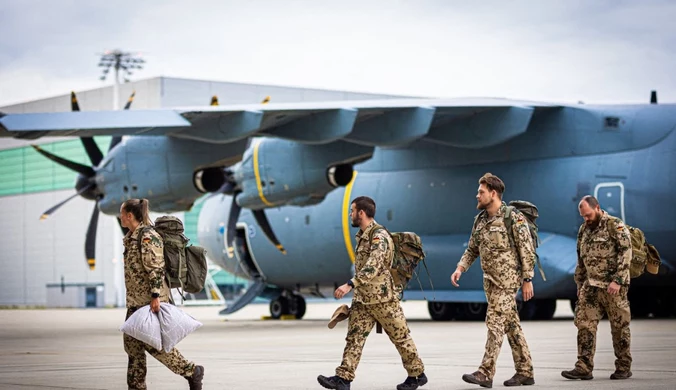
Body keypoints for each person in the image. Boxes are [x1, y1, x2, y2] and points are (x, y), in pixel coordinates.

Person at [317, 196, 427, 390]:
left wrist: (350, 284)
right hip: (363, 299)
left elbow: (373, 265)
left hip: (383, 299)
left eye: (352, 211)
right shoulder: (362, 235)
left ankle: (417, 374)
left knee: (400, 336)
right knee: (354, 338)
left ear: (361, 213)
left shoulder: (379, 237)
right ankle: (343, 378)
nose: (350, 215)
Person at [450, 173, 536, 388]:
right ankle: (525, 371)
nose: (476, 195)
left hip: (507, 283)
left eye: (481, 192)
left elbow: (527, 250)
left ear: (493, 193)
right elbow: (472, 249)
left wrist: (527, 279)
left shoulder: (513, 218)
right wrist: (460, 268)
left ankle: (485, 372)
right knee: (511, 326)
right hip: (490, 281)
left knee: (495, 322)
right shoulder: (480, 220)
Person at [119, 198, 204, 390]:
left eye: (121, 213)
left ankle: (191, 371)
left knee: (154, 346)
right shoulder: (131, 238)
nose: (120, 216)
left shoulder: (148, 236)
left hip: (149, 302)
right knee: (132, 348)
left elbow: (156, 268)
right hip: (135, 302)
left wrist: (156, 297)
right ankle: (136, 386)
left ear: (129, 215)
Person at [561, 195, 633, 380]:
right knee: (584, 326)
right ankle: (583, 367)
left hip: (612, 288)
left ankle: (623, 367)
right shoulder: (584, 230)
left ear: (597, 207)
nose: (587, 219)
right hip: (590, 286)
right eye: (583, 216)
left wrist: (618, 280)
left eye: (589, 214)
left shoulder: (614, 226)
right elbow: (581, 258)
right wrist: (579, 283)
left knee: (620, 328)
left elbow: (626, 253)